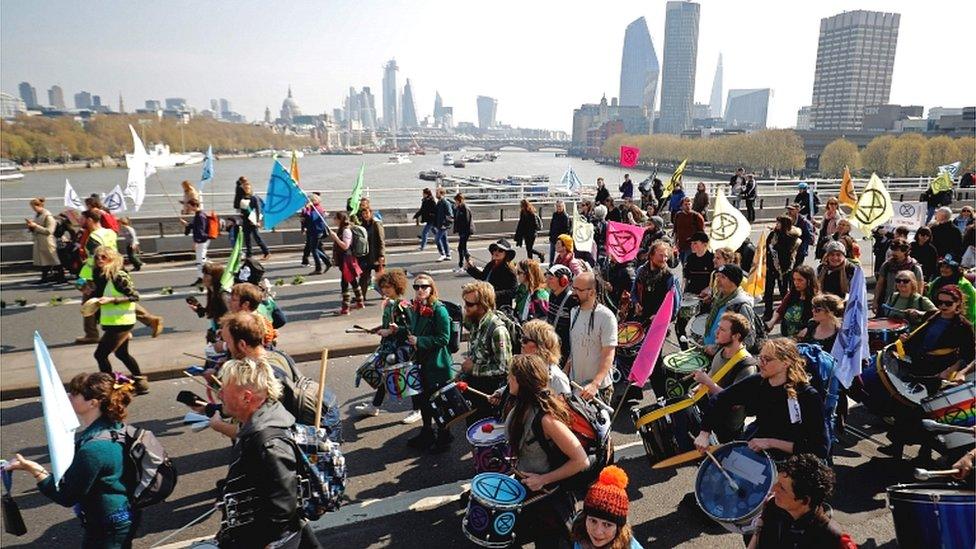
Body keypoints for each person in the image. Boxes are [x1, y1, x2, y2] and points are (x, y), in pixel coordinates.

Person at [4, 372, 140, 548]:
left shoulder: (94, 448)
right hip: (121, 515)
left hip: (108, 526)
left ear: (93, 403)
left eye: (75, 393)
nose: (68, 396)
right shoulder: (115, 427)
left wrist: (34, 469)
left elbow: (67, 496)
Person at [214, 358, 322, 548]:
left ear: (247, 398)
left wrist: (261, 543)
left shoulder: (268, 445)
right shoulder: (256, 424)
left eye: (224, 389)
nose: (219, 394)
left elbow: (281, 508)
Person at [695, 338, 829, 461]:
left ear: (785, 363)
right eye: (760, 357)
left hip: (792, 461)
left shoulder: (808, 396)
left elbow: (820, 449)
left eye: (767, 359)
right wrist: (704, 433)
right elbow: (721, 399)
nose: (760, 363)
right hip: (758, 449)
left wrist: (770, 442)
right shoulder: (758, 381)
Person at [504, 354, 588, 548]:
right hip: (529, 491)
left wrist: (543, 479)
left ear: (521, 381)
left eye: (511, 376)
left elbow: (581, 460)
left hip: (549, 499)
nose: (508, 379)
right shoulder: (520, 406)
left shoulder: (546, 420)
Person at [747, 454, 857, 549]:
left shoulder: (832, 539)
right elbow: (758, 540)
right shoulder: (772, 507)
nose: (773, 489)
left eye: (782, 488)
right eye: (777, 482)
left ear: (805, 500)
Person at [88, 246, 149, 394]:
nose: (99, 260)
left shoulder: (118, 275)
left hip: (121, 322)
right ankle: (141, 383)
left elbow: (134, 296)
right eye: (97, 257)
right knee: (121, 354)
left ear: (112, 258)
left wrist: (112, 299)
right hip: (113, 321)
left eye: (104, 257)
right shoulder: (101, 275)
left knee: (100, 354)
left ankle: (108, 387)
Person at [404, 273, 455, 452]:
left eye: (424, 286)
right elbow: (412, 329)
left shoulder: (439, 310)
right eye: (416, 287)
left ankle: (444, 438)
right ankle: (426, 433)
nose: (420, 290)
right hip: (422, 362)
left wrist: (420, 341)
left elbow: (444, 338)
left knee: (439, 404)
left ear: (431, 288)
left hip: (437, 364)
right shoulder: (416, 307)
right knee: (424, 401)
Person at [692, 312, 759, 442]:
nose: (716, 332)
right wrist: (700, 386)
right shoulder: (721, 351)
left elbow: (735, 403)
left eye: (722, 330)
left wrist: (708, 382)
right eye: (718, 327)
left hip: (728, 428)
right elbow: (714, 374)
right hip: (713, 416)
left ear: (736, 336)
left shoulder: (746, 366)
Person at [354, 269, 412, 417]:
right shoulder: (387, 304)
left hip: (401, 348)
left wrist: (393, 331)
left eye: (388, 287)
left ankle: (418, 409)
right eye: (383, 287)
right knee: (384, 376)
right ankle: (374, 406)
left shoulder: (403, 305)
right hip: (388, 346)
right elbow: (388, 325)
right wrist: (378, 329)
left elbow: (411, 328)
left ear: (397, 287)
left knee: (407, 378)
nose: (385, 290)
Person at [460, 281, 513, 425]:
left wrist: (474, 369)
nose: (466, 308)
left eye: (470, 305)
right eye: (465, 303)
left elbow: (504, 368)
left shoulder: (497, 330)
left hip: (490, 393)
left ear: (483, 305)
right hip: (476, 387)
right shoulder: (476, 322)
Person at [901, 285, 976, 381]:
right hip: (917, 363)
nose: (943, 306)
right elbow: (919, 339)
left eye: (948, 303)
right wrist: (906, 339)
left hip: (939, 370)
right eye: (939, 302)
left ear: (958, 302)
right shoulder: (931, 315)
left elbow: (968, 356)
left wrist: (951, 371)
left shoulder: (963, 326)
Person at [566, 272, 617, 403]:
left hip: (597, 389)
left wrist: (595, 384)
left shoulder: (606, 317)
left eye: (578, 289)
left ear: (592, 292)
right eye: (573, 287)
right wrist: (565, 371)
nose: (573, 292)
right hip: (576, 386)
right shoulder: (574, 312)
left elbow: (609, 354)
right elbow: (575, 347)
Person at [570, 466, 644, 549]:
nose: (598, 532)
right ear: (585, 518)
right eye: (593, 521)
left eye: (607, 525)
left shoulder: (629, 547)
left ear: (619, 528)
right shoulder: (580, 534)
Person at [701, 264, 759, 354]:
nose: (718, 280)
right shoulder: (719, 299)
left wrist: (719, 350)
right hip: (709, 351)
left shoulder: (741, 306)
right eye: (718, 276)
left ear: (733, 282)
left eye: (723, 277)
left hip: (723, 357)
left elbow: (748, 340)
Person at [763, 216, 802, 321]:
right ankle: (768, 312)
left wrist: (775, 247)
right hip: (771, 267)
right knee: (768, 292)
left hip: (783, 269)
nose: (777, 225)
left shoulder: (790, 238)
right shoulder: (773, 234)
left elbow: (787, 252)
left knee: (784, 292)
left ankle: (785, 312)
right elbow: (767, 245)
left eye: (779, 223)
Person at [326, 211, 363, 314]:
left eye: (335, 218)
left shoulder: (346, 231)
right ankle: (360, 302)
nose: (334, 220)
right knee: (351, 280)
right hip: (344, 259)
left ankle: (345, 308)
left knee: (345, 283)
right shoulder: (342, 229)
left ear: (340, 219)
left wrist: (336, 238)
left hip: (347, 259)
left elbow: (345, 246)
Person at [874, 238, 925, 315]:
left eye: (897, 250)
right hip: (888, 304)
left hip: (907, 306)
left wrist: (915, 306)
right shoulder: (887, 265)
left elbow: (920, 287)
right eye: (893, 249)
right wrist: (875, 301)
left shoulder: (914, 267)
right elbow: (879, 284)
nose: (894, 252)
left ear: (905, 251)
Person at [767, 265, 819, 338]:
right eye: (794, 279)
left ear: (809, 281)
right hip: (787, 335)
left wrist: (807, 329)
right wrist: (772, 322)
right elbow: (780, 310)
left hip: (805, 338)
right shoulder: (791, 294)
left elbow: (819, 319)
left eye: (800, 280)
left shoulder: (817, 299)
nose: (796, 283)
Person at [465, 239, 518, 307]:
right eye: (495, 249)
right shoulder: (491, 264)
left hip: (500, 305)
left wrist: (492, 293)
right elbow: (482, 277)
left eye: (500, 250)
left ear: (506, 254)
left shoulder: (508, 270)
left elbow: (513, 291)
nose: (496, 252)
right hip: (488, 302)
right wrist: (471, 268)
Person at [926, 256, 976, 325]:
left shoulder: (964, 285)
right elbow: (930, 298)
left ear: (954, 269)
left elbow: (970, 309)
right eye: (942, 267)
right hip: (937, 317)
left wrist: (966, 325)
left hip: (957, 322)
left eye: (947, 267)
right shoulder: (936, 281)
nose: (943, 269)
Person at [546, 264, 580, 365]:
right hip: (553, 343)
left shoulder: (572, 299)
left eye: (551, 278)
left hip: (566, 347)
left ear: (563, 281)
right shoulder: (552, 294)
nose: (547, 281)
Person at [187, 263, 229, 341]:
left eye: (206, 276)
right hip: (217, 332)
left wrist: (222, 336)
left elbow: (228, 317)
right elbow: (212, 312)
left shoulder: (222, 295)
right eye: (203, 275)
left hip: (223, 335)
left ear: (215, 278)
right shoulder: (212, 292)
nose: (203, 278)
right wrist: (199, 309)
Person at [26, 197, 63, 283]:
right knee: (44, 260)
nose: (33, 209)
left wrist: (35, 226)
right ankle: (44, 278)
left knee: (53, 259)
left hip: (47, 241)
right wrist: (31, 227)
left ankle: (61, 277)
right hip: (40, 241)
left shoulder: (48, 216)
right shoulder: (38, 215)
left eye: (33, 207)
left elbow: (50, 230)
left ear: (39, 205)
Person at [356, 198, 386, 302]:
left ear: (370, 213)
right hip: (366, 256)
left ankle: (385, 294)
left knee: (380, 278)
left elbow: (381, 240)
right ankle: (361, 297)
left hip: (376, 255)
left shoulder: (376, 224)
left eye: (367, 213)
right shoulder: (362, 225)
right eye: (363, 214)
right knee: (363, 277)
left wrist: (381, 255)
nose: (365, 215)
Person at [179, 198, 210, 286]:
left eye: (190, 206)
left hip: (202, 240)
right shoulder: (200, 214)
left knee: (200, 260)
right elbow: (196, 226)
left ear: (195, 206)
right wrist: (187, 224)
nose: (189, 209)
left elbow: (200, 231)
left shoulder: (200, 216)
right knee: (201, 259)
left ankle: (203, 277)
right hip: (203, 239)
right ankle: (202, 277)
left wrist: (196, 242)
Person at [237, 179, 270, 260]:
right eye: (245, 188)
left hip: (253, 220)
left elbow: (258, 209)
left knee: (257, 237)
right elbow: (242, 209)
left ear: (250, 188)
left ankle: (266, 252)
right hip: (245, 220)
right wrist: (241, 214)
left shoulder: (254, 197)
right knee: (247, 239)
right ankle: (249, 255)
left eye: (247, 188)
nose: (246, 189)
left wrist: (258, 221)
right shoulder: (243, 197)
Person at [301, 193, 331, 275]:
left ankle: (320, 267)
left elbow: (312, 218)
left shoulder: (316, 208)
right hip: (312, 231)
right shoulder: (315, 208)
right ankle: (326, 262)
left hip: (316, 231)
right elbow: (306, 218)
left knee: (314, 249)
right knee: (315, 248)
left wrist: (307, 209)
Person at [672, 196, 704, 264]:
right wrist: (675, 244)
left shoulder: (697, 216)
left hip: (692, 246)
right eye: (685, 204)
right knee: (683, 265)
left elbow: (702, 233)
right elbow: (676, 231)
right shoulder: (678, 215)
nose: (687, 206)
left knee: (688, 264)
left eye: (689, 204)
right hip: (681, 245)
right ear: (681, 206)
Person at [786, 204, 815, 269]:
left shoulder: (804, 222)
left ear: (797, 210)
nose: (789, 211)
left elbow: (809, 237)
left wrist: (802, 247)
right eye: (788, 209)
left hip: (800, 249)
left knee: (797, 268)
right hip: (789, 249)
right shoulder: (787, 220)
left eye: (792, 210)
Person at [452, 193, 474, 271]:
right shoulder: (459, 208)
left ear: (460, 200)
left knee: (461, 248)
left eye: (456, 201)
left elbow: (467, 221)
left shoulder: (465, 208)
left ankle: (461, 265)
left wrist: (464, 232)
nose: (455, 202)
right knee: (463, 248)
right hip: (462, 231)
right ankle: (469, 262)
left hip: (465, 231)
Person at [433, 187, 454, 262]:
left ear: (441, 193)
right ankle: (448, 255)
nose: (435, 194)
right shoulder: (439, 202)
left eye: (437, 193)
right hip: (439, 225)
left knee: (437, 239)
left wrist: (445, 224)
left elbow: (450, 215)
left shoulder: (445, 203)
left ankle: (442, 254)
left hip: (443, 225)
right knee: (444, 239)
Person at [549, 200, 570, 264]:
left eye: (560, 206)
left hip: (561, 238)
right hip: (553, 237)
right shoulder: (554, 214)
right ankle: (551, 265)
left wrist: (562, 238)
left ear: (563, 207)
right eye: (557, 206)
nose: (559, 208)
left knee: (561, 253)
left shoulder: (565, 216)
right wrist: (550, 235)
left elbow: (566, 229)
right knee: (552, 252)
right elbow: (552, 225)